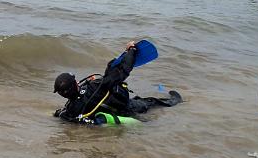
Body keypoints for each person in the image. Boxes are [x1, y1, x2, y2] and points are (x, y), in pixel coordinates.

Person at [53, 41, 181, 124]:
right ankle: (176, 101)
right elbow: (122, 71)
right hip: (126, 108)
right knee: (151, 102)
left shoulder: (70, 110)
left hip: (110, 112)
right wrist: (131, 51)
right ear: (75, 84)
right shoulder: (95, 88)